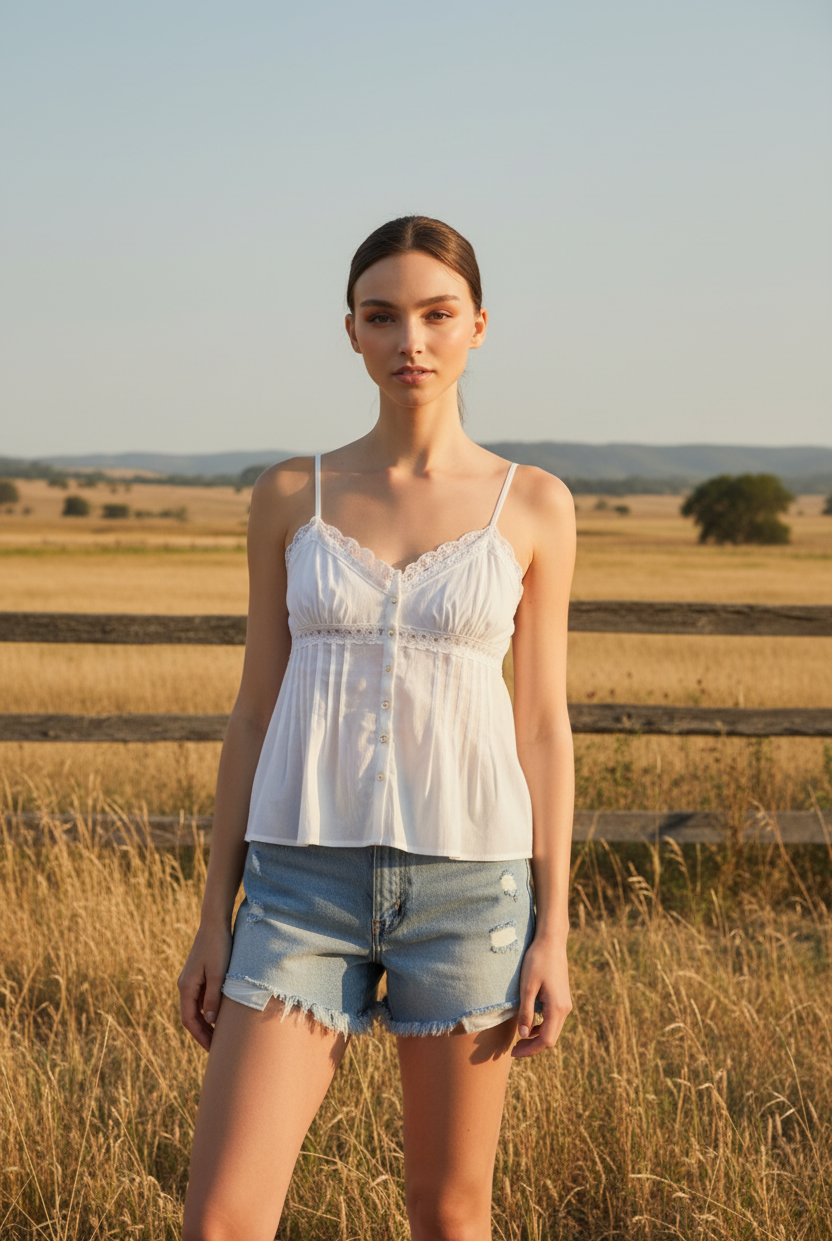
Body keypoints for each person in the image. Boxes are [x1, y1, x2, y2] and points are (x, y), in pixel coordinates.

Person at [178, 215, 576, 1241]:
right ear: (349, 331)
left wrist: (555, 928)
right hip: (298, 886)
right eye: (383, 315)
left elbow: (540, 721)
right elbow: (255, 707)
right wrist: (211, 913)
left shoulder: (531, 503)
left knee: (449, 1212)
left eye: (437, 314)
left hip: (470, 891)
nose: (411, 340)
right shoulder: (287, 494)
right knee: (222, 1216)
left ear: (478, 326)